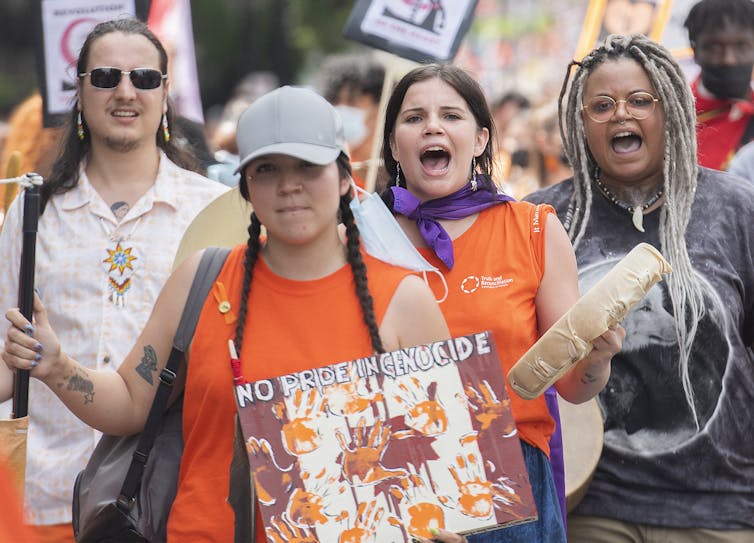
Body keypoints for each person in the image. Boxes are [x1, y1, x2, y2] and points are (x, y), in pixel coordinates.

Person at [2, 85, 461, 542]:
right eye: (267, 169)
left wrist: (442, 523)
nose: (289, 185)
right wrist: (56, 366)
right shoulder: (201, 281)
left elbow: (451, 472)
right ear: (245, 187)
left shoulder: (405, 300)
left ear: (344, 178)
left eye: (308, 166)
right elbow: (129, 401)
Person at [0, 17, 228, 542]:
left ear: (166, 96)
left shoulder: (213, 210)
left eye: (144, 79)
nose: (125, 91)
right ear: (79, 91)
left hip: (167, 499)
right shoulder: (34, 215)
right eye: (105, 77)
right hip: (46, 496)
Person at [380, 63, 625, 542]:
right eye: (413, 118)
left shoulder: (532, 229)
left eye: (451, 115)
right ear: (392, 145)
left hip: (509, 485)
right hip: (390, 480)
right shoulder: (359, 238)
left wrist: (598, 358)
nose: (432, 126)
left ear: (479, 140)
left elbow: (574, 387)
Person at [526, 33, 754, 541]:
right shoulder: (541, 220)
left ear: (670, 111)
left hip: (719, 507)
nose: (620, 115)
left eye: (639, 101)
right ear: (580, 123)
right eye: (601, 105)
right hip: (591, 501)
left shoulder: (737, 211)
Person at [684, 0, 754, 170]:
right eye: (714, 47)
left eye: (742, 46)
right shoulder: (669, 119)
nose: (728, 59)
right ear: (695, 51)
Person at [317, 52, 390, 191]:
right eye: (335, 102)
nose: (342, 110)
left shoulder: (397, 171)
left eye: (352, 101)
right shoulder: (329, 168)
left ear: (381, 105)